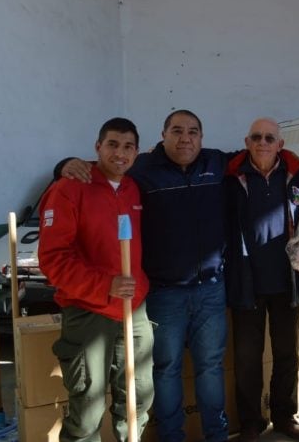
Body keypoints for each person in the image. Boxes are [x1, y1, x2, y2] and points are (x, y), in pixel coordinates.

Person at [58, 109, 230, 442]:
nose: (185, 138)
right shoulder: (142, 171)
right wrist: (64, 165)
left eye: (193, 131)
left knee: (210, 366)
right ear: (161, 136)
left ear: (202, 138)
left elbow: (261, 156)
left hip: (210, 289)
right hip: (164, 293)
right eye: (177, 130)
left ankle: (217, 436)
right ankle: (171, 437)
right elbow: (102, 171)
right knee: (164, 370)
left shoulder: (216, 164)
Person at [38, 117, 154, 441]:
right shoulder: (70, 188)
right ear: (97, 147)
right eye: (112, 144)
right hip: (89, 309)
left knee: (138, 397)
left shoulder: (134, 186)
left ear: (137, 152)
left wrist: (134, 288)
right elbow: (52, 259)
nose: (120, 153)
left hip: (134, 308)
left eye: (128, 146)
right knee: (88, 410)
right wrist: (105, 285)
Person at [224, 118, 299, 442]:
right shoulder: (231, 177)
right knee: (247, 359)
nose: (263, 142)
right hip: (246, 283)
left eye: (269, 138)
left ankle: (285, 416)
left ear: (280, 144)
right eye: (257, 137)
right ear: (247, 142)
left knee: (287, 354)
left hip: (288, 281)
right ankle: (250, 422)